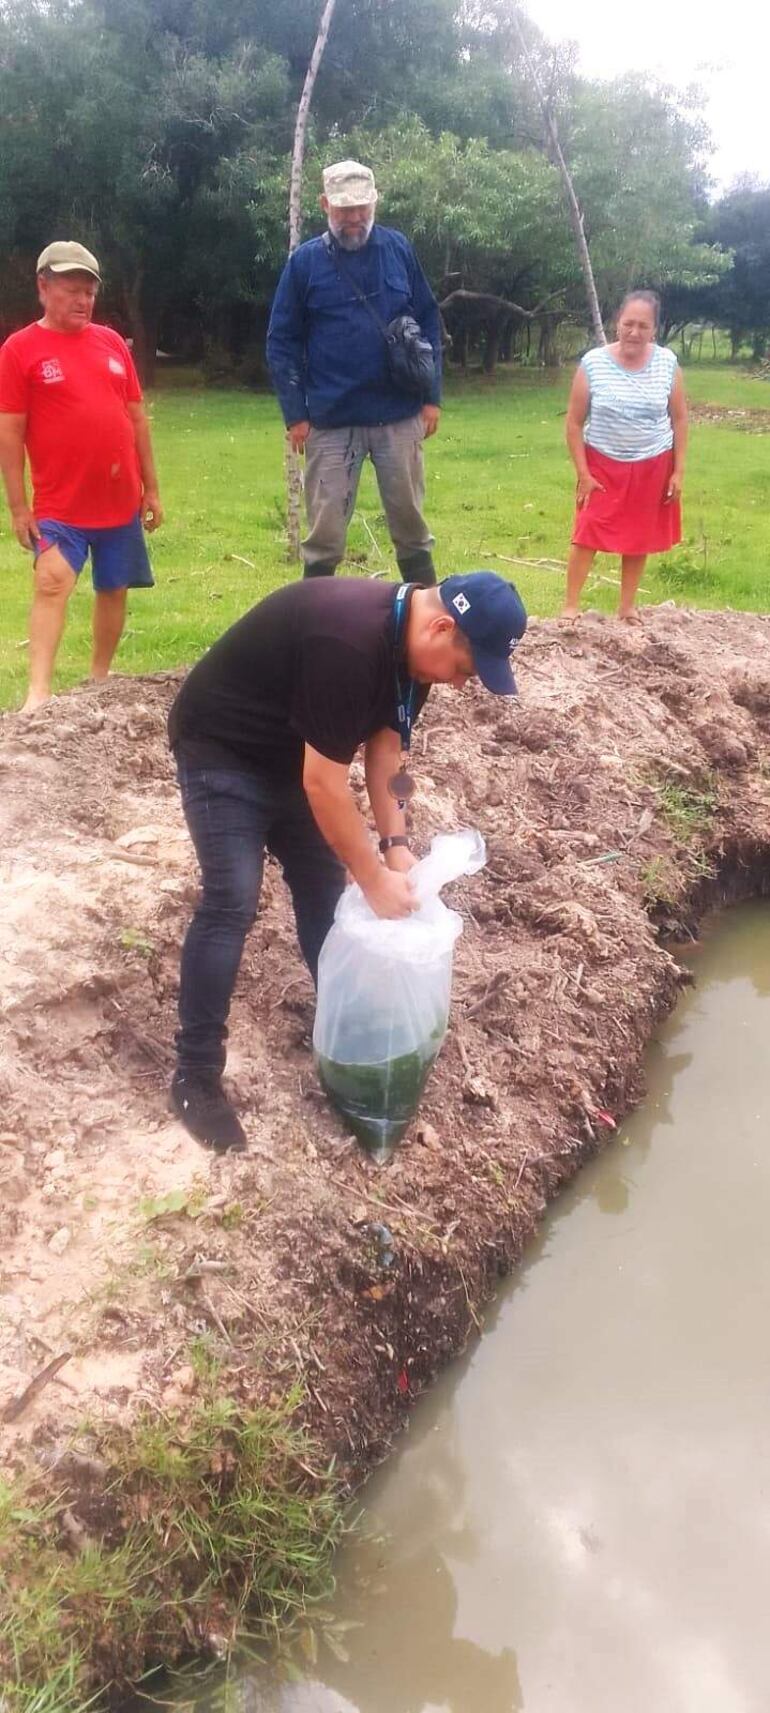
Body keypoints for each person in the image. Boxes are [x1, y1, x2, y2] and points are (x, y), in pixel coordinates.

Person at [168, 570, 527, 1151]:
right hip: (223, 750)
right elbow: (323, 784)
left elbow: (387, 749)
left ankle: (345, 1023)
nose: (462, 684)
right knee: (232, 897)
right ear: (442, 627)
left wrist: (396, 844)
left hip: (293, 752)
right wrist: (373, 878)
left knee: (322, 890)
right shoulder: (348, 641)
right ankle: (195, 1076)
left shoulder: (412, 653)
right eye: (466, 670)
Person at [0, 240, 163, 712]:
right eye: (72, 290)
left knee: (112, 587)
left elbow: (136, 418)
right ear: (43, 287)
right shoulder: (19, 350)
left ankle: (98, 680)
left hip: (118, 499)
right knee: (52, 582)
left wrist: (151, 488)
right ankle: (38, 694)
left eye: (89, 292)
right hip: (58, 505)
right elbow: (9, 433)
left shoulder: (111, 343)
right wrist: (17, 506)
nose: (83, 301)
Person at [266, 159, 442, 586]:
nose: (355, 218)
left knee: (411, 526)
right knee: (324, 535)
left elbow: (429, 319)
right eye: (345, 210)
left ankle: (424, 620)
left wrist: (431, 395)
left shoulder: (399, 249)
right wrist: (296, 415)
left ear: (375, 203)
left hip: (399, 415)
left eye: (363, 208)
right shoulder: (304, 263)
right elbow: (281, 340)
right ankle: (313, 625)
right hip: (330, 419)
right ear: (325, 205)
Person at [562, 290, 688, 623]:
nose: (634, 332)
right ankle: (571, 606)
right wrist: (583, 472)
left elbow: (679, 419)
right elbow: (574, 424)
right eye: (628, 323)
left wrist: (678, 471)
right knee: (587, 531)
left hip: (653, 463)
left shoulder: (667, 363)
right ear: (618, 323)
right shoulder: (593, 363)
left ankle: (627, 607)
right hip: (601, 464)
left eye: (643, 326)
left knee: (639, 536)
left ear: (654, 330)